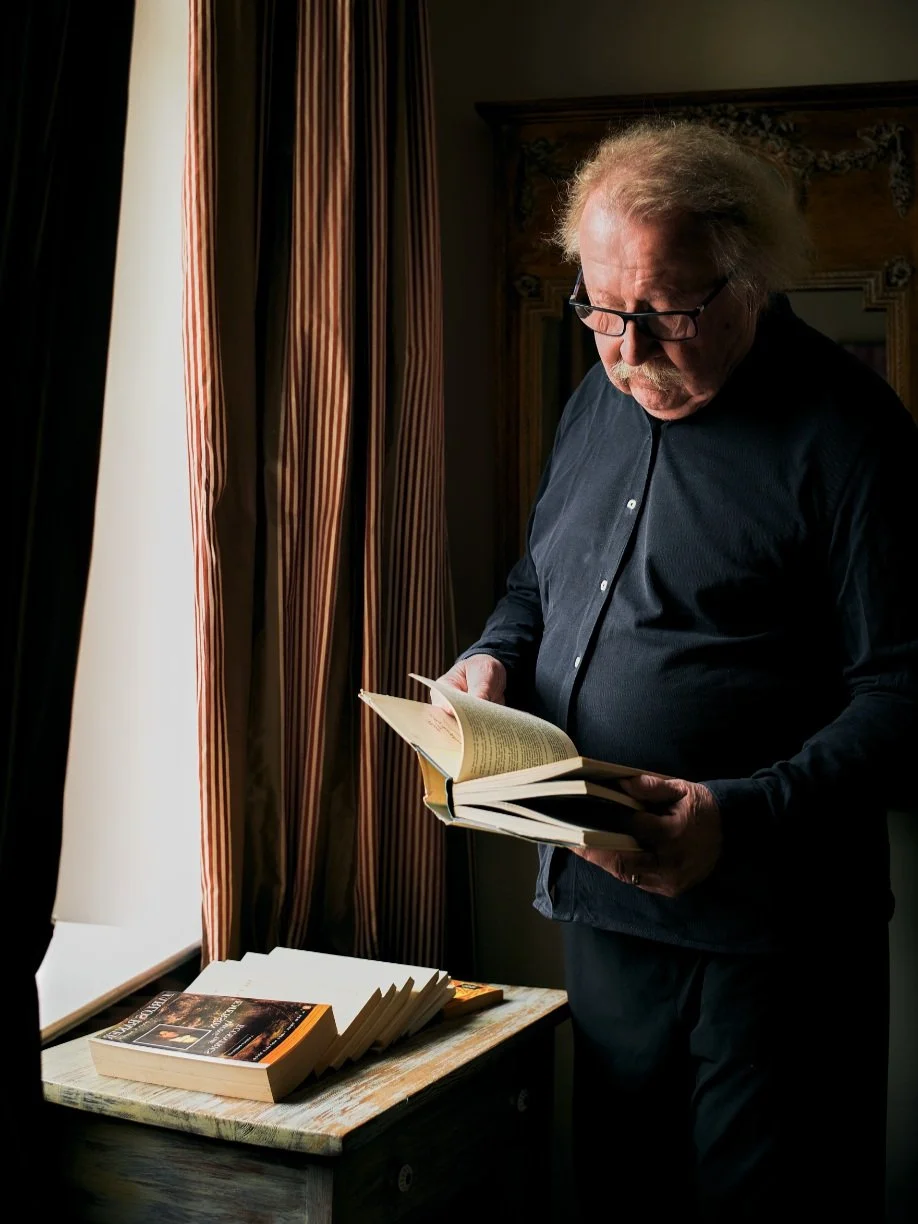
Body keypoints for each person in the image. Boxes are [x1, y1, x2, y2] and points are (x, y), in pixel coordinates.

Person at [432, 119, 918, 1222]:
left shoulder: (851, 435)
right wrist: (492, 657)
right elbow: (536, 585)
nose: (628, 350)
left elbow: (906, 695)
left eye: (665, 312)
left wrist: (737, 817)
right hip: (607, 920)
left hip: (778, 948)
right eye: (602, 309)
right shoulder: (596, 398)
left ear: (748, 280)